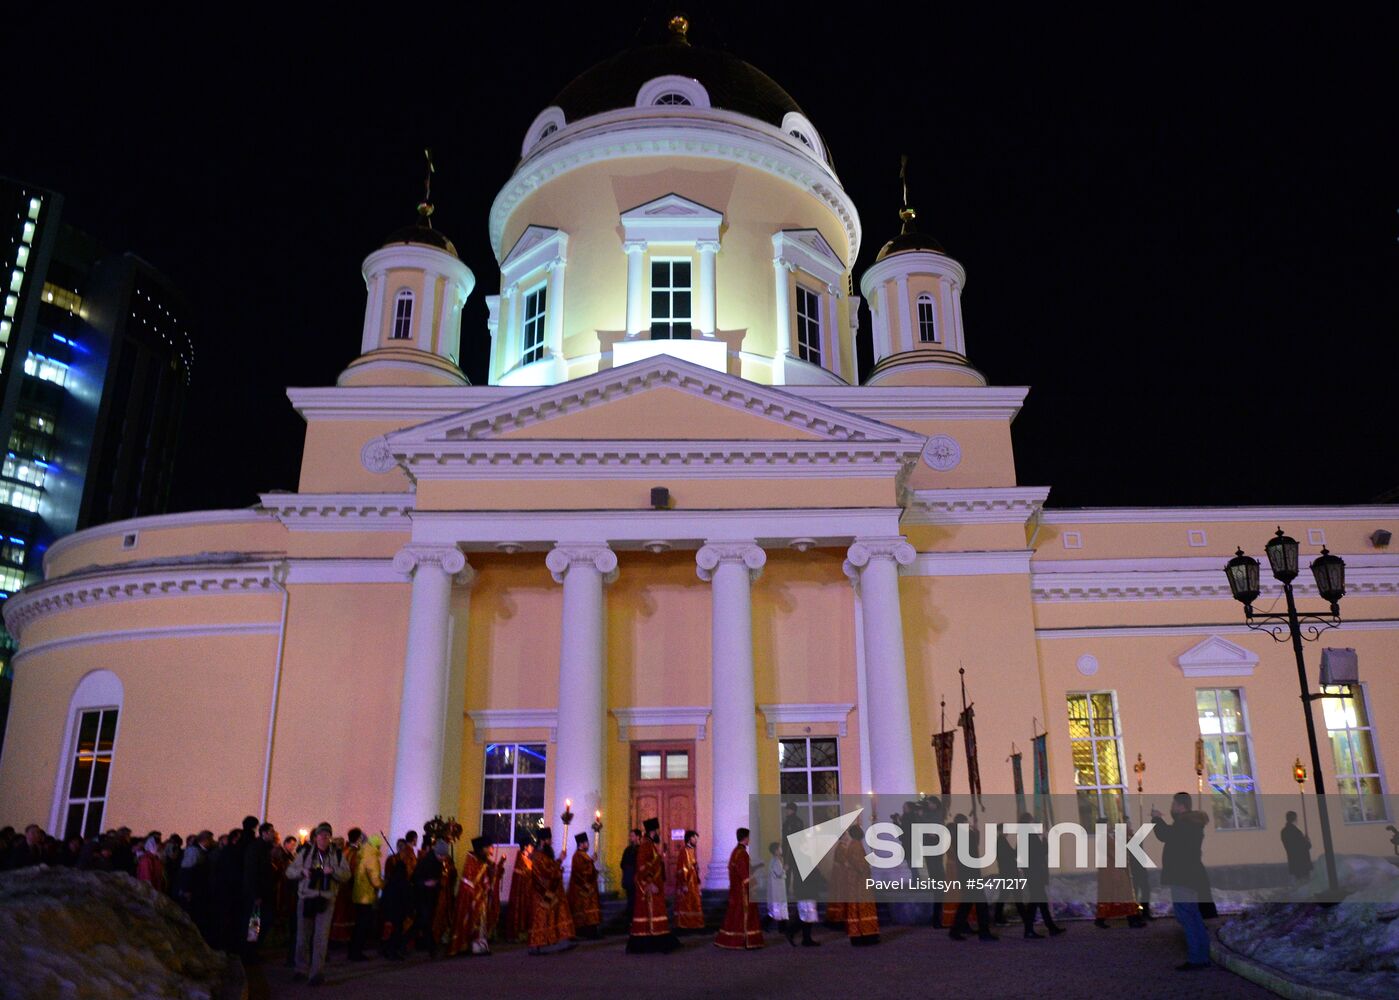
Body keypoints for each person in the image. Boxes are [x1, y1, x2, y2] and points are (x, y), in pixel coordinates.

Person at [1152, 792, 1212, 971]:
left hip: (1182, 876)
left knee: (1187, 916)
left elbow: (1165, 835)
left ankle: (1197, 958)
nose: (1171, 807)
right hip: (1191, 876)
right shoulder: (1191, 823)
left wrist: (1157, 819)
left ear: (1181, 806)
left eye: (1173, 804)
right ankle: (1202, 954)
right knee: (1193, 916)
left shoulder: (1184, 824)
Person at [286, 822, 351, 985]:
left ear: (330, 837)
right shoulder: (306, 852)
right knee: (303, 936)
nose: (324, 838)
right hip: (307, 897)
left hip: (326, 898)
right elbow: (289, 872)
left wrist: (333, 871)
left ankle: (317, 973)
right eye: (321, 835)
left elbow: (347, 875)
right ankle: (300, 969)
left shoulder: (337, 854)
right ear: (315, 837)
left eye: (327, 835)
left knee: (321, 938)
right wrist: (303, 871)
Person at [627, 817, 680, 953]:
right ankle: (652, 942)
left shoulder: (650, 845)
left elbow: (653, 863)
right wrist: (650, 882)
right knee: (649, 913)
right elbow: (642, 866)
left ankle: (658, 939)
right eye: (657, 831)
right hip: (648, 887)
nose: (658, 833)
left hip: (655, 886)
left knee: (656, 912)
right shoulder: (645, 845)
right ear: (652, 832)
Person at [528, 829, 577, 954]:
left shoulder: (543, 855)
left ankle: (552, 941)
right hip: (542, 893)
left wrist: (558, 867)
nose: (551, 842)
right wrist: (559, 860)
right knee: (542, 918)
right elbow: (547, 873)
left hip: (550, 890)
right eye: (549, 840)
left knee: (552, 916)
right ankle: (537, 944)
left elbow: (551, 870)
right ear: (543, 841)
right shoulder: (538, 856)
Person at [1018, 812, 1065, 938]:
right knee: (1035, 904)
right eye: (1031, 821)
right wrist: (1045, 837)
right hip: (1035, 875)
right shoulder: (1029, 836)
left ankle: (1051, 927)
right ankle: (1029, 930)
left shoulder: (1024, 836)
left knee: (1041, 903)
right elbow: (1042, 852)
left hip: (1033, 874)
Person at [715, 827, 764, 950]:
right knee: (743, 916)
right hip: (743, 893)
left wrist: (757, 866)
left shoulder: (736, 852)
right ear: (745, 838)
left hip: (736, 891)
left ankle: (730, 939)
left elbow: (743, 869)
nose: (750, 840)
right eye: (749, 837)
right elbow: (744, 874)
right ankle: (744, 941)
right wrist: (754, 886)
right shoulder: (741, 854)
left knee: (734, 916)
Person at [949, 815, 996, 942]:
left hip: (966, 875)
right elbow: (974, 847)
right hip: (971, 875)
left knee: (967, 904)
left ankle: (956, 930)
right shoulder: (964, 835)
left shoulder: (957, 836)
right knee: (981, 904)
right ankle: (983, 932)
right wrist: (975, 830)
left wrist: (975, 831)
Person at [449, 836, 496, 956]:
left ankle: (479, 946)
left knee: (480, 922)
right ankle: (466, 946)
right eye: (489, 847)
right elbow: (470, 881)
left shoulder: (482, 861)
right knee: (468, 920)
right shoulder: (471, 860)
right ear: (482, 849)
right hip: (469, 897)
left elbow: (485, 878)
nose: (491, 849)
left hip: (480, 897)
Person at [1094, 819, 1145, 928]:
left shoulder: (1107, 837)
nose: (1109, 826)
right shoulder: (1104, 839)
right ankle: (1131, 919)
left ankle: (1131, 918)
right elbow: (1115, 853)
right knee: (1120, 895)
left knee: (1119, 895)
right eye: (1107, 825)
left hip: (1114, 870)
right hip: (1112, 871)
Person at [241, 822, 278, 961]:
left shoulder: (265, 849)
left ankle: (253, 950)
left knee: (261, 923)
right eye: (271, 831)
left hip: (264, 893)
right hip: (257, 895)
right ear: (264, 833)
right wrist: (255, 894)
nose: (273, 834)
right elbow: (252, 873)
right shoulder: (256, 849)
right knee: (254, 924)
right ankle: (249, 953)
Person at [409, 839, 449, 957]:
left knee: (423, 923)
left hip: (429, 897)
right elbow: (415, 878)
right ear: (439, 853)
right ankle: (431, 948)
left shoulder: (435, 862)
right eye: (443, 856)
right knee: (422, 923)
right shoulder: (426, 862)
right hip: (423, 897)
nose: (444, 859)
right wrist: (426, 883)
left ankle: (430, 948)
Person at [347, 833, 383, 961]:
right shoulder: (371, 857)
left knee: (358, 925)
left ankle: (353, 951)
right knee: (362, 926)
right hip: (366, 896)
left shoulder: (362, 854)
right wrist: (383, 885)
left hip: (358, 893)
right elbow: (374, 878)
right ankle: (357, 953)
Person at [842, 826, 880, 946]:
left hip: (854, 883)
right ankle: (868, 935)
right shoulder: (857, 845)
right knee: (864, 908)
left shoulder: (852, 845)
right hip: (860, 883)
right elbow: (861, 866)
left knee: (856, 909)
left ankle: (859, 936)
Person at [380, 838, 414, 960]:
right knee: (395, 929)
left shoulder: (407, 860)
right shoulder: (393, 860)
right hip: (397, 908)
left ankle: (387, 948)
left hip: (390, 906)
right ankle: (392, 950)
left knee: (390, 927)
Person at [330, 828, 362, 947]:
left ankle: (335, 936)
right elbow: (354, 870)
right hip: (348, 886)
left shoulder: (345, 851)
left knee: (339, 912)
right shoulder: (355, 852)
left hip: (340, 885)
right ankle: (341, 938)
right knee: (344, 913)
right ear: (358, 838)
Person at [568, 831, 602, 939]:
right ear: (581, 844)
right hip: (582, 890)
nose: (588, 845)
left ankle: (592, 931)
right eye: (586, 843)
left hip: (589, 888)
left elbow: (589, 869)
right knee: (584, 911)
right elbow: (580, 872)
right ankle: (586, 932)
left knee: (590, 910)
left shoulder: (584, 855)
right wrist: (591, 862)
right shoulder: (577, 856)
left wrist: (592, 865)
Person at [504, 837, 536, 943]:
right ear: (525, 847)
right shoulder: (520, 859)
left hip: (529, 892)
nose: (533, 848)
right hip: (521, 893)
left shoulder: (529, 860)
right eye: (531, 846)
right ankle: (518, 934)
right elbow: (520, 876)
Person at [674, 830, 704, 932]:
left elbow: (693, 866)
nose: (696, 840)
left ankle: (693, 924)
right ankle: (685, 925)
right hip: (687, 883)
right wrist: (684, 883)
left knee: (694, 902)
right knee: (687, 903)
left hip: (693, 882)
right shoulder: (685, 851)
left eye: (697, 838)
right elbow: (683, 869)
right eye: (694, 838)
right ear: (689, 838)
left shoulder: (690, 850)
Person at [765, 842, 794, 945]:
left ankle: (782, 928)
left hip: (777, 889)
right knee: (777, 910)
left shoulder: (774, 861)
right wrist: (785, 869)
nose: (781, 850)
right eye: (780, 848)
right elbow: (779, 874)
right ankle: (782, 928)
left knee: (777, 910)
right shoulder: (776, 861)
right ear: (776, 851)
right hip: (777, 890)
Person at [1281, 811, 1313, 883]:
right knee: (1305, 883)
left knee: (1298, 882)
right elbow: (1306, 846)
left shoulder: (1283, 831)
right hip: (1303, 862)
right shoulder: (1296, 832)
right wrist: (1307, 841)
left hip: (1293, 861)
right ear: (1295, 819)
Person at [619, 828, 641, 931]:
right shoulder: (627, 850)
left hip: (637, 880)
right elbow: (622, 864)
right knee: (630, 901)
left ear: (638, 837)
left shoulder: (641, 849)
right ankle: (630, 922)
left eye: (632, 836)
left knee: (636, 901)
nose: (630, 838)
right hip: (629, 879)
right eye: (630, 836)